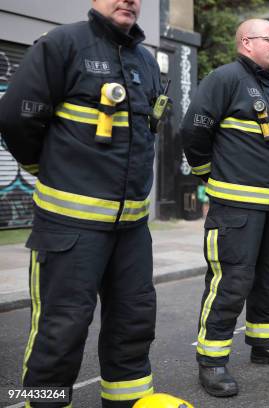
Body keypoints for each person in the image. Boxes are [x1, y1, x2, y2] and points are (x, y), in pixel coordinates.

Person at [0, 0, 162, 406]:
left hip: (132, 230)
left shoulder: (145, 60)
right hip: (69, 227)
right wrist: (47, 168)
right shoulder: (61, 44)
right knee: (61, 330)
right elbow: (16, 120)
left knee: (134, 324)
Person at [180, 19, 269, 397]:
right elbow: (194, 132)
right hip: (237, 207)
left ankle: (264, 344)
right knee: (231, 283)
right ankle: (212, 361)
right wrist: (210, 176)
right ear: (247, 42)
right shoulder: (224, 79)